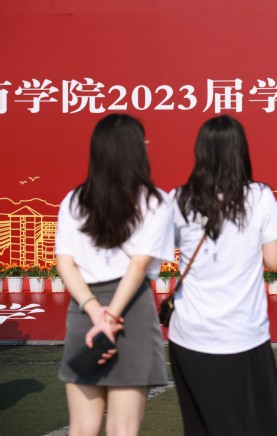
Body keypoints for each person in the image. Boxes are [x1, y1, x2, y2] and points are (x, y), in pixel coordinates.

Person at [168, 115, 277, 435]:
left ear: (201, 152)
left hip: (189, 335)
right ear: (240, 151)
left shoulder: (179, 198)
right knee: (257, 426)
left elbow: (154, 255)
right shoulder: (259, 196)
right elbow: (274, 261)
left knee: (200, 427)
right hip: (243, 334)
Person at [56, 114, 175, 435]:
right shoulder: (155, 201)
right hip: (131, 311)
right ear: (136, 149)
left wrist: (96, 313)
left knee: (82, 427)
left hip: (84, 310)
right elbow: (138, 266)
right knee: (123, 429)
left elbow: (65, 263)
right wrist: (110, 319)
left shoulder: (74, 200)